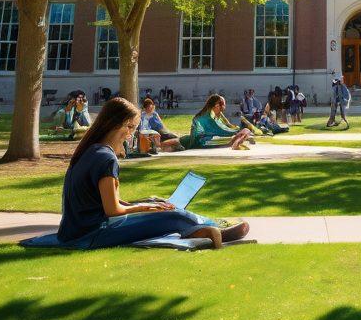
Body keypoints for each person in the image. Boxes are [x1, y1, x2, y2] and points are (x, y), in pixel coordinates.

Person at [57, 97, 249, 248]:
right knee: (173, 216)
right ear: (116, 125)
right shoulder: (105, 157)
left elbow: (106, 201)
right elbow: (112, 210)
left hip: (77, 231)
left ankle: (204, 225)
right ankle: (211, 228)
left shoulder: (93, 151)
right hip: (92, 234)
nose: (131, 134)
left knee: (162, 207)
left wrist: (147, 203)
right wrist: (143, 208)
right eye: (130, 127)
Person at [189, 95, 254, 150]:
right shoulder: (207, 117)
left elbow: (224, 127)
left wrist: (238, 132)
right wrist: (237, 132)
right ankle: (235, 144)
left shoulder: (212, 114)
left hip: (205, 140)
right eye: (223, 105)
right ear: (216, 105)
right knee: (245, 131)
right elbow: (220, 130)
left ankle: (236, 143)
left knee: (245, 131)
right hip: (201, 143)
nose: (223, 108)